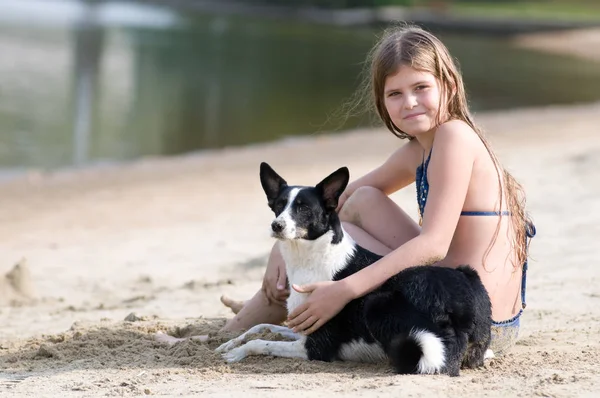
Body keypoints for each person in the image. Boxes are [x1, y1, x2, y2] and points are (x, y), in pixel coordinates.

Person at [159, 24, 535, 356]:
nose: (409, 102)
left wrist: (346, 289)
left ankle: (259, 314)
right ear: (382, 101)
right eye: (395, 94)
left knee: (333, 237)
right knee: (358, 202)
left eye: (421, 87)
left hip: (474, 324)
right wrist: (282, 244)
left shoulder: (453, 136)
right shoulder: (420, 148)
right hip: (458, 299)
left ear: (448, 85)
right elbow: (342, 201)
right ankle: (275, 303)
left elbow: (434, 245)